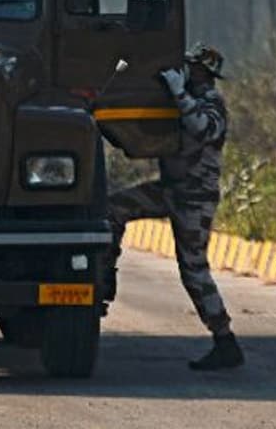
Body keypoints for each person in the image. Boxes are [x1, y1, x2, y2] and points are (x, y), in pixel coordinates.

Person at [104, 42, 243, 371]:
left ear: (204, 73)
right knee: (115, 208)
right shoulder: (185, 98)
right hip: (171, 189)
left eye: (192, 68)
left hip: (195, 197)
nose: (187, 71)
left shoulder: (212, 104)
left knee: (193, 269)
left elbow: (202, 128)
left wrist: (181, 94)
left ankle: (225, 340)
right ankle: (104, 274)